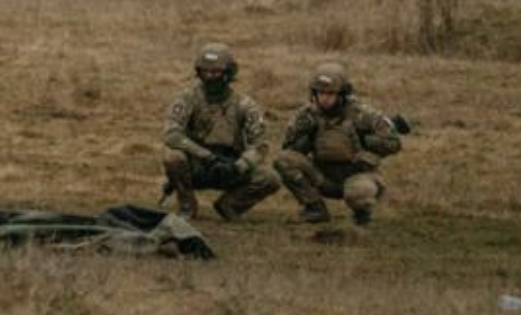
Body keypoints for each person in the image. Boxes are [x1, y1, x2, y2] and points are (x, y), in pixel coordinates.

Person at [158, 41, 279, 220]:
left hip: (230, 164)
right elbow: (171, 134)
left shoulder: (244, 104)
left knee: (270, 178)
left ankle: (230, 205)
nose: (210, 77)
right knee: (173, 157)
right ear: (199, 72)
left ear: (229, 73)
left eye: (216, 72)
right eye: (205, 72)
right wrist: (206, 156)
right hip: (198, 164)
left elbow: (260, 146)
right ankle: (187, 204)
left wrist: (239, 166)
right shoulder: (187, 98)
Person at [275, 61, 402, 225]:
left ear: (342, 93)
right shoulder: (307, 115)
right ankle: (315, 209)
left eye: (330, 93)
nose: (324, 98)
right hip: (322, 175)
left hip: (356, 174)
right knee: (283, 160)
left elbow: (393, 143)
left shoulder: (362, 113)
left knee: (359, 193)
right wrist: (305, 138)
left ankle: (362, 214)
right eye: (320, 93)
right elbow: (289, 149)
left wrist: (366, 140)